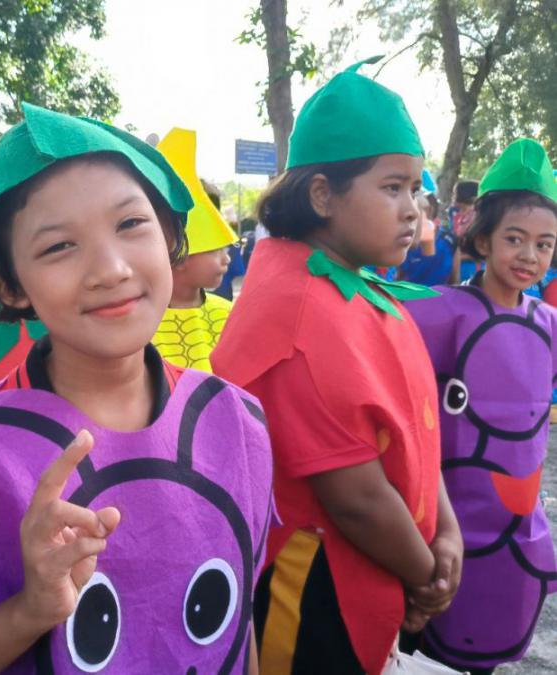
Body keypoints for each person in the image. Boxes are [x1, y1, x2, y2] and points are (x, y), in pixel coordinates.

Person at [0, 103, 274, 674]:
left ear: (171, 234)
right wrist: (30, 610)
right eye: (59, 247)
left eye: (131, 224)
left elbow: (239, 626)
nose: (111, 269)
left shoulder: (234, 422)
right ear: (9, 286)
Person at [211, 57, 463, 675]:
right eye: (392, 188)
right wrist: (428, 573)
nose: (413, 210)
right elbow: (356, 500)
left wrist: (447, 531)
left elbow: (414, 428)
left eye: (416, 189)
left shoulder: (350, 282)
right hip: (313, 596)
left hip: (387, 560)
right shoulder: (295, 314)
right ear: (322, 194)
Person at [406, 138, 557, 674]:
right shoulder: (440, 313)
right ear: (484, 238)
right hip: (445, 524)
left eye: (544, 244)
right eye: (515, 239)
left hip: (519, 530)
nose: (530, 256)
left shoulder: (549, 324)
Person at [151, 128, 237, 371]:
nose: (226, 259)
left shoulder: (228, 313)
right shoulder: (143, 322)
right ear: (178, 256)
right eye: (214, 251)